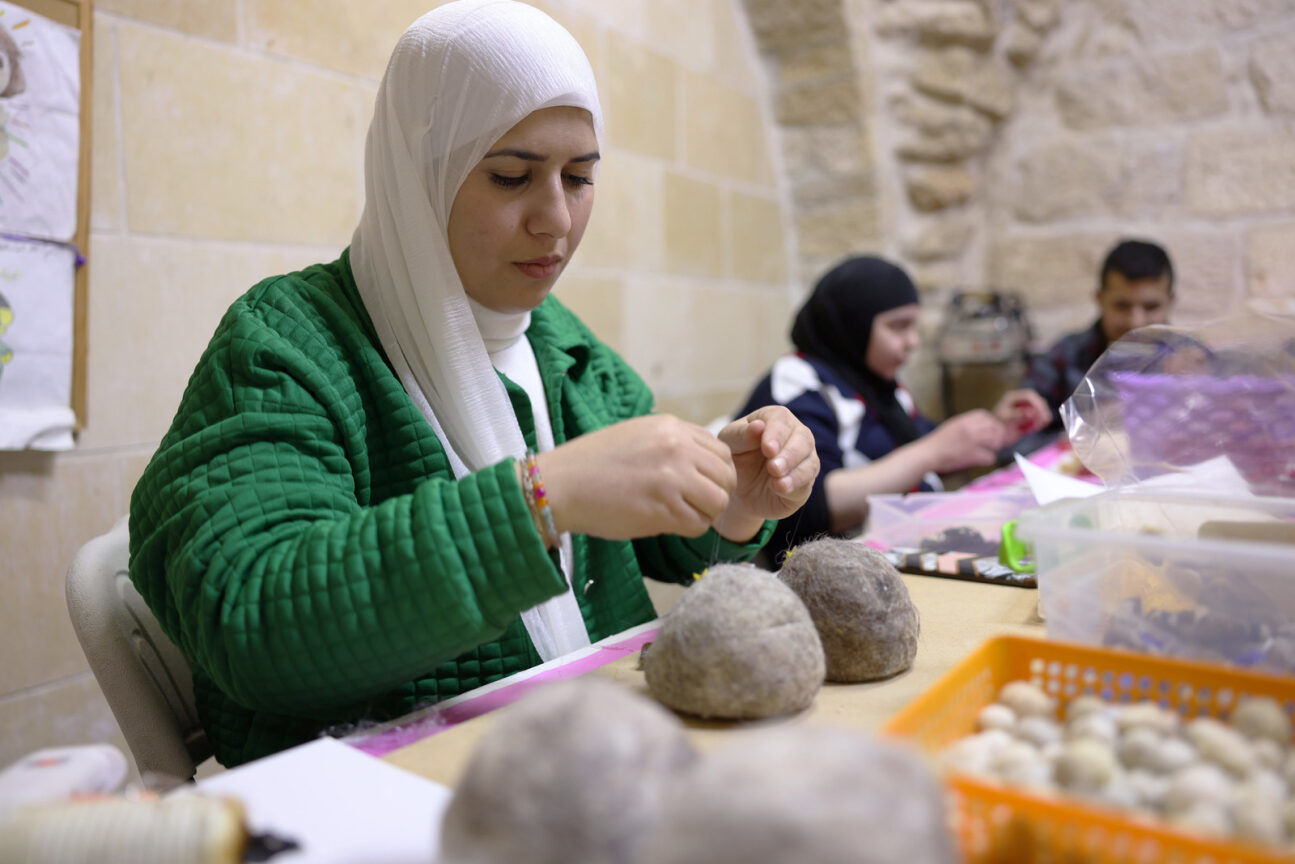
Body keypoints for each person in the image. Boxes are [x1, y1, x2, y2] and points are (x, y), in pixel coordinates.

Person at [127, 0, 818, 768]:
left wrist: (728, 507)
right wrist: (539, 501)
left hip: (586, 766)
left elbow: (662, 548)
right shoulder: (286, 345)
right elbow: (249, 621)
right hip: (383, 793)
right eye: (512, 176)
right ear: (418, 173)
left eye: (580, 178)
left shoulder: (563, 346)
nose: (555, 219)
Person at [735, 255, 1048, 559]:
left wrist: (996, 428)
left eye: (913, 326)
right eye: (898, 327)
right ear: (853, 325)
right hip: (826, 564)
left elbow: (926, 441)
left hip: (899, 546)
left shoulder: (882, 388)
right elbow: (809, 503)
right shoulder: (797, 382)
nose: (912, 341)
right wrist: (933, 451)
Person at [1022, 238, 1174, 441]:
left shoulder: (1194, 359)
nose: (1136, 322)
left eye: (1151, 307)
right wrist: (1082, 433)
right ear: (1099, 299)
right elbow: (1014, 442)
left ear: (1170, 302)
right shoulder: (1064, 357)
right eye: (1122, 305)